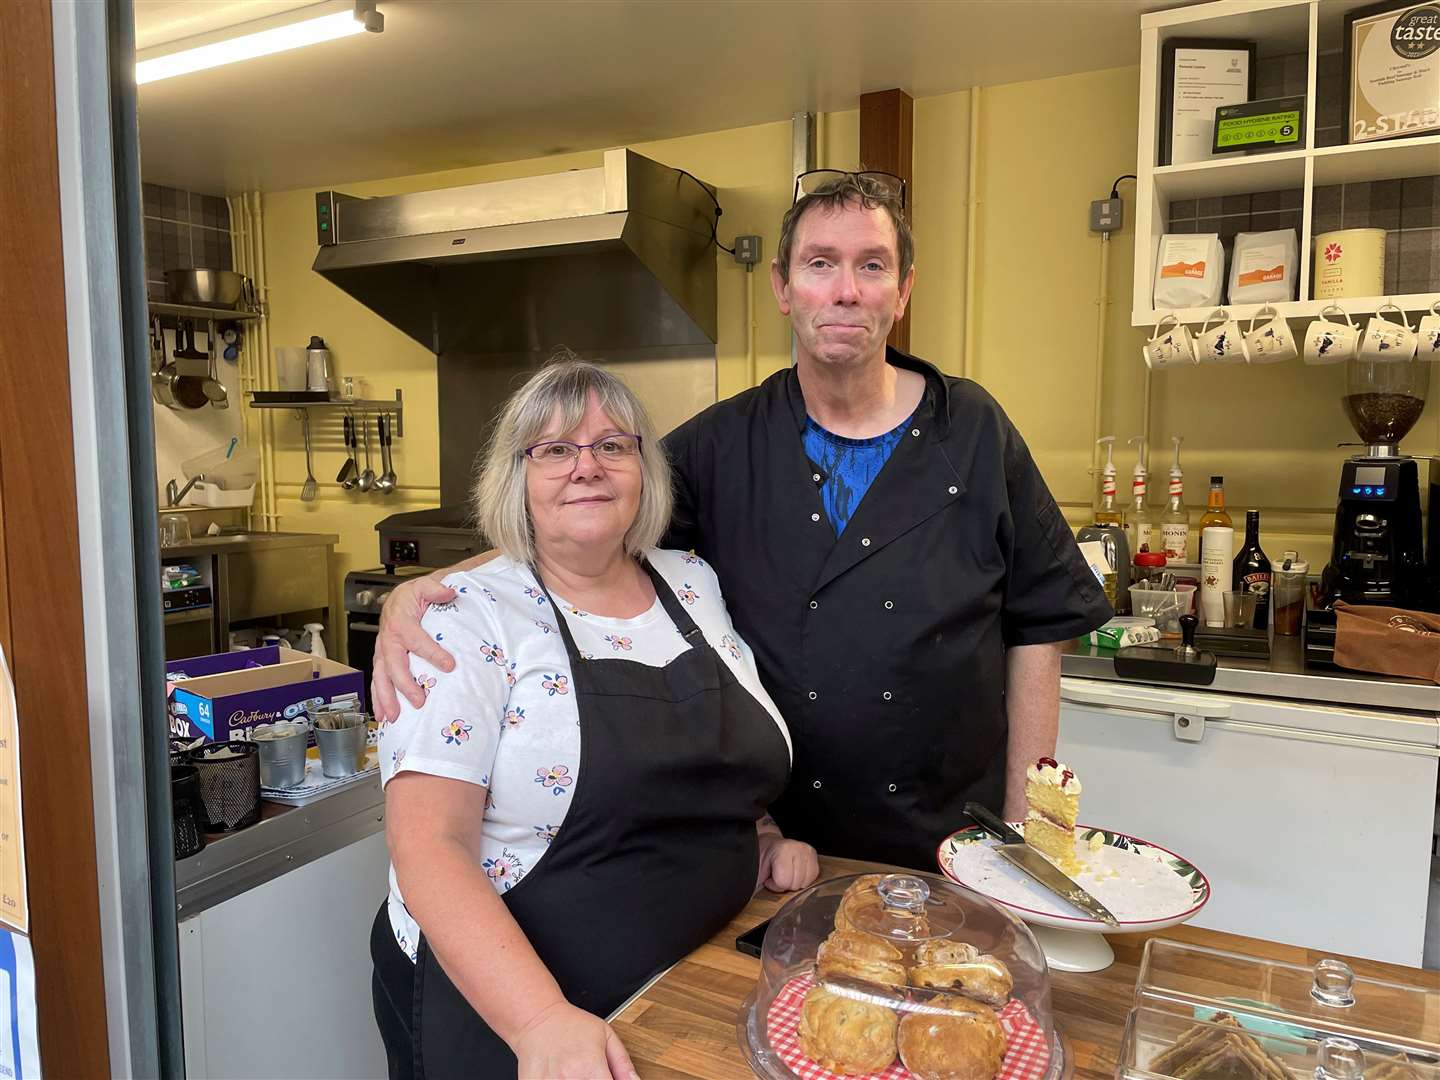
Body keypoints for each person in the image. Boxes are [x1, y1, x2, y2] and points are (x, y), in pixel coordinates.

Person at [372, 171, 1112, 873]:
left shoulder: (974, 430)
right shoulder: (723, 443)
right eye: (820, 264)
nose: (846, 290)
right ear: (783, 288)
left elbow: (1040, 624)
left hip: (956, 840)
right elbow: (585, 528)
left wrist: (1028, 840)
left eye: (873, 266)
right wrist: (432, 587)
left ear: (904, 289)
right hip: (775, 845)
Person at [371, 359, 816, 1080]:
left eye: (613, 445)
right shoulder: (464, 618)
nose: (588, 466)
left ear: (644, 469)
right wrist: (539, 1020)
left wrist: (756, 830)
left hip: (688, 979)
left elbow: (713, 748)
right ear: (517, 477)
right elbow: (428, 849)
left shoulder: (691, 581)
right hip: (514, 1006)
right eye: (554, 450)